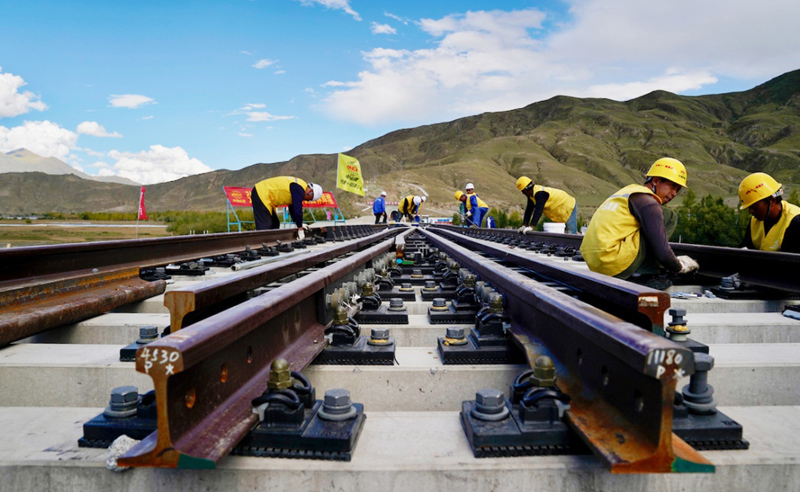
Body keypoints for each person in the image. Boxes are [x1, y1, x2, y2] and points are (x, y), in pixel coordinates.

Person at [579, 157, 699, 289]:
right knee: (669, 216)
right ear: (656, 180)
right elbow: (663, 254)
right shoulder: (649, 203)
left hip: (595, 263)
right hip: (614, 264)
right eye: (672, 186)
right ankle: (645, 274)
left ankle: (641, 269)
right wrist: (679, 266)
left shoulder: (627, 191)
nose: (674, 194)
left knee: (654, 220)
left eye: (678, 190)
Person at [738, 172, 800, 253]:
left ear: (772, 201)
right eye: (749, 207)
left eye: (754, 206)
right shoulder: (755, 221)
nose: (750, 211)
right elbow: (745, 249)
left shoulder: (795, 222)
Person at [252, 176, 322, 236]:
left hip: (267, 197)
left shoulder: (299, 186)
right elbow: (297, 209)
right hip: (261, 192)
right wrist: (300, 229)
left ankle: (271, 244)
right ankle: (260, 246)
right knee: (265, 225)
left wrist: (299, 224)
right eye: (309, 199)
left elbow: (292, 209)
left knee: (275, 224)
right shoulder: (299, 188)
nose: (306, 201)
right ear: (310, 192)